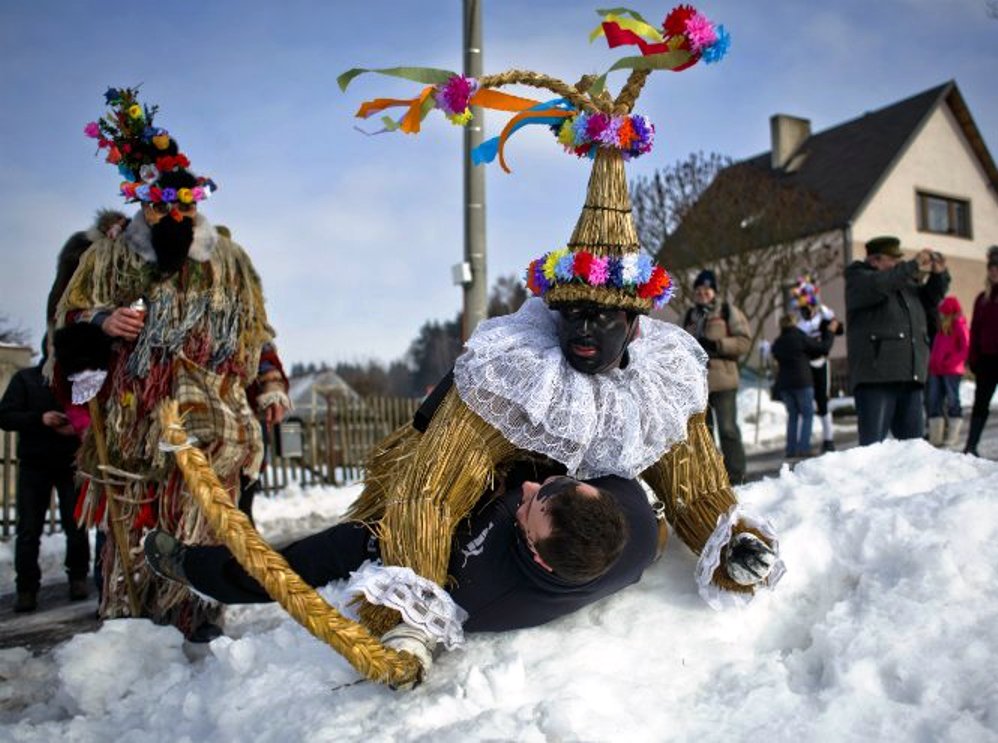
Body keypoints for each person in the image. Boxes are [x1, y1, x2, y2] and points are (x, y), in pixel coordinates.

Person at [48, 87, 290, 640]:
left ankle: (198, 619)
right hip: (135, 424)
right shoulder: (107, 255)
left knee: (205, 526)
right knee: (135, 523)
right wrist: (101, 322)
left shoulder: (229, 260)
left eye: (181, 204)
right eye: (158, 204)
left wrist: (270, 384)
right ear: (141, 202)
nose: (171, 214)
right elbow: (68, 323)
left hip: (218, 422)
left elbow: (255, 334)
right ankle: (129, 628)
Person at [144, 473, 710, 641]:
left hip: (419, 539)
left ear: (537, 558)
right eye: (557, 486)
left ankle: (210, 575)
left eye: (533, 504)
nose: (535, 487)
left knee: (317, 555)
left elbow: (419, 600)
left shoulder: (487, 595)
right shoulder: (628, 508)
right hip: (479, 488)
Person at [0, 344, 90, 612]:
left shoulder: (76, 384)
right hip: (34, 464)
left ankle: (77, 578)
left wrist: (74, 428)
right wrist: (41, 418)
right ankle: (26, 588)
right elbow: (5, 416)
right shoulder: (26, 379)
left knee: (76, 526)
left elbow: (88, 419)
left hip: (69, 463)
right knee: (28, 529)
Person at [845, 236, 950, 446]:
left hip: (909, 376)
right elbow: (880, 284)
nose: (898, 265)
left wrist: (939, 275)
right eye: (892, 260)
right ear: (874, 260)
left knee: (913, 450)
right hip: (876, 378)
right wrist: (912, 266)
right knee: (873, 448)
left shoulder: (903, 283)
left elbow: (931, 298)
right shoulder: (860, 279)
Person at [681, 269, 751, 484]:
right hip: (699, 384)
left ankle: (737, 475)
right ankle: (713, 477)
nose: (702, 294)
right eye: (699, 290)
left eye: (707, 290)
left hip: (724, 380)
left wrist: (718, 345)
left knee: (728, 428)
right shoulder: (689, 316)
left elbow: (744, 341)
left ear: (714, 292)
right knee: (704, 434)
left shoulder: (728, 311)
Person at [790, 274, 844, 452]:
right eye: (803, 308)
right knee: (807, 404)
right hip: (806, 367)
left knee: (823, 401)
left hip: (821, 363)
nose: (806, 311)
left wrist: (832, 320)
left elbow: (839, 330)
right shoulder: (799, 326)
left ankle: (828, 439)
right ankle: (804, 440)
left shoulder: (823, 319)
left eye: (809, 307)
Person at [770, 314, 834, 459]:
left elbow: (774, 353)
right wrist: (829, 333)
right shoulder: (800, 337)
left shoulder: (778, 342)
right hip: (803, 381)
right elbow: (822, 348)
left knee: (792, 416)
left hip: (785, 384)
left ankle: (791, 450)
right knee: (807, 414)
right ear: (794, 323)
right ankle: (803, 448)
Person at [964, 245, 998, 456]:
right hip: (987, 360)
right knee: (980, 405)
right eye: (991, 267)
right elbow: (974, 329)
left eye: (997, 267)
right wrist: (973, 358)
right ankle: (971, 446)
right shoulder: (982, 299)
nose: (994, 271)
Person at [926, 296, 969, 448]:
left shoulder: (959, 325)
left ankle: (952, 436)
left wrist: (950, 362)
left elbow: (965, 348)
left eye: (943, 312)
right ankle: (936, 436)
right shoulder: (942, 328)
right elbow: (937, 349)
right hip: (937, 370)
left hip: (951, 370)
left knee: (952, 400)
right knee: (934, 400)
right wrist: (932, 364)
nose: (941, 315)